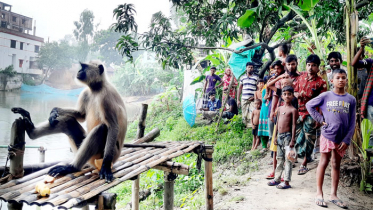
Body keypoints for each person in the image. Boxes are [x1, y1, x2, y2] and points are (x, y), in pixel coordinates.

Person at [306, 69, 356, 208]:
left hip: (342, 139)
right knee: (324, 162)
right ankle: (319, 193)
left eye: (343, 77)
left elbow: (352, 122)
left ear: (346, 80)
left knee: (336, 164)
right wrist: (320, 119)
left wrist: (347, 139)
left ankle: (333, 194)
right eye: (338, 77)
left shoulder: (351, 99)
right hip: (328, 135)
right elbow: (309, 105)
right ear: (332, 80)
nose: (341, 80)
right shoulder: (326, 96)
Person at [294, 54, 327, 175]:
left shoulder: (321, 82)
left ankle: (304, 164)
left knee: (309, 139)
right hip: (299, 112)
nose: (310, 68)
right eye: (308, 65)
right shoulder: (300, 77)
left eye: (313, 65)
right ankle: (302, 158)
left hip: (311, 114)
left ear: (318, 68)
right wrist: (296, 94)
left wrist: (319, 118)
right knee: (298, 139)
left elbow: (323, 102)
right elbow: (294, 90)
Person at [267, 86, 298, 189]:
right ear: (282, 96)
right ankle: (277, 178)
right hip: (279, 136)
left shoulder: (293, 110)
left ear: (292, 96)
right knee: (279, 158)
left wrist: (293, 139)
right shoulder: (279, 109)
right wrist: (275, 136)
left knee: (288, 159)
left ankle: (287, 181)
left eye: (289, 94)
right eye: (285, 94)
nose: (287, 96)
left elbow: (294, 125)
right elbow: (276, 123)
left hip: (288, 137)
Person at [237, 62, 259, 128]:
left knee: (252, 113)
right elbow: (240, 88)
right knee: (244, 114)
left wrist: (254, 97)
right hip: (244, 98)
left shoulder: (256, 77)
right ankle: (244, 127)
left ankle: (251, 127)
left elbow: (258, 89)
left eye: (251, 67)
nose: (250, 68)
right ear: (246, 68)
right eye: (249, 67)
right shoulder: (242, 77)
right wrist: (238, 99)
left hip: (253, 99)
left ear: (253, 68)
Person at [258, 78, 270, 149]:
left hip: (270, 110)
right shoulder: (264, 90)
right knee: (262, 129)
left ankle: (269, 144)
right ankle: (264, 146)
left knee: (270, 129)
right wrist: (267, 93)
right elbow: (264, 100)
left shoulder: (274, 90)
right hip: (264, 111)